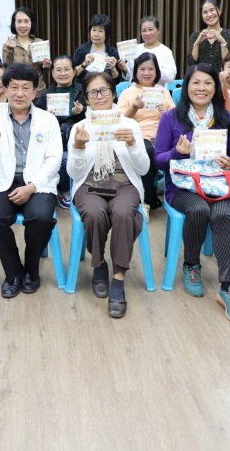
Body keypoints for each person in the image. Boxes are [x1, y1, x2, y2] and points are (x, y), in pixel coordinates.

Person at [155, 63, 230, 324]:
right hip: (184, 185)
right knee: (198, 209)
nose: (202, 88)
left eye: (208, 83)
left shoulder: (224, 117)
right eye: (196, 82)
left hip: (220, 183)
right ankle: (191, 264)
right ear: (186, 86)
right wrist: (177, 153)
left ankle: (228, 286)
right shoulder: (171, 118)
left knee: (220, 215)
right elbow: (159, 160)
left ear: (215, 88)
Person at [0, 63, 62, 298]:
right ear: (5, 89)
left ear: (35, 92)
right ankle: (13, 273)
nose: (19, 93)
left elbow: (54, 160)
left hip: (38, 183)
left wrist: (31, 187)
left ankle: (31, 270)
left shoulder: (48, 120)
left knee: (41, 217)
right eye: (14, 87)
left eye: (25, 88)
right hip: (3, 181)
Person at [66, 72, 149, 318]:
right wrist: (78, 148)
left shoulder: (129, 124)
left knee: (123, 213)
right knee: (94, 213)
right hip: (89, 185)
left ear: (113, 93)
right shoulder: (79, 128)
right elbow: (73, 172)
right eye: (93, 92)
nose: (99, 96)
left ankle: (118, 278)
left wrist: (132, 144)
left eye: (104, 90)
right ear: (86, 98)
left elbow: (144, 169)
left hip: (124, 184)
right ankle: (99, 263)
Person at [117, 53, 175, 209]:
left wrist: (166, 113)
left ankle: (163, 194)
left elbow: (176, 119)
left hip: (162, 135)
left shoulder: (163, 92)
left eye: (151, 69)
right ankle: (147, 199)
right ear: (136, 71)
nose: (147, 73)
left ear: (157, 71)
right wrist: (134, 108)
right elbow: (120, 120)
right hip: (137, 136)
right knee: (148, 150)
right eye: (142, 69)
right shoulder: (127, 93)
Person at [34, 55, 86, 209]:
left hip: (79, 135)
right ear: (52, 73)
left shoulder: (83, 91)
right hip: (55, 138)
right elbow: (38, 121)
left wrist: (82, 111)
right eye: (58, 70)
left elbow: (94, 115)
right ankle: (63, 189)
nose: (63, 73)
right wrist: (48, 117)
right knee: (62, 159)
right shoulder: (45, 96)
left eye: (67, 69)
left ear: (74, 71)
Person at [2, 6, 51, 91]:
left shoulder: (39, 43)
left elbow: (44, 71)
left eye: (26, 21)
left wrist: (46, 66)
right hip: (18, 92)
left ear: (31, 23)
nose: (23, 25)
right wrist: (10, 50)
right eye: (19, 21)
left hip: (38, 90)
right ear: (14, 24)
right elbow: (7, 69)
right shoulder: (8, 45)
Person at [187, 0, 230, 74]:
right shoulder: (195, 36)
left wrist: (222, 42)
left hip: (221, 79)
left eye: (212, 10)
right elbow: (191, 63)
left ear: (219, 10)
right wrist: (196, 44)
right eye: (205, 12)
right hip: (201, 78)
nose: (209, 14)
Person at [72, 14, 126, 83]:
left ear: (106, 34)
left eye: (100, 31)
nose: (96, 34)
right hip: (85, 87)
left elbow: (117, 80)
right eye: (93, 30)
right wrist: (84, 64)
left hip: (106, 87)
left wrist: (113, 68)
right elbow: (73, 74)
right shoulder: (81, 50)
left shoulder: (113, 52)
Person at [133, 15, 177, 86]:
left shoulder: (166, 51)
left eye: (150, 29)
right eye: (144, 31)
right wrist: (124, 69)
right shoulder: (135, 49)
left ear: (158, 30)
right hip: (135, 90)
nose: (147, 33)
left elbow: (170, 78)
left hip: (156, 91)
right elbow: (129, 75)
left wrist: (154, 67)